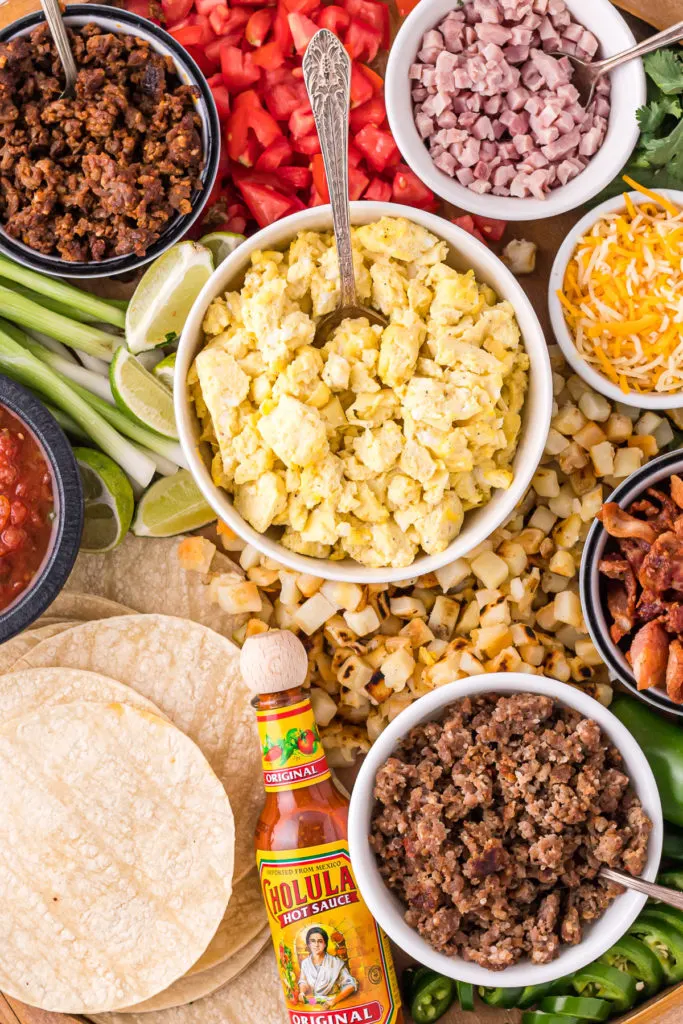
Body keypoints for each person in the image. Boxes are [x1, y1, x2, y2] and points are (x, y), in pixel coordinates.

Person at [298, 927, 358, 1008]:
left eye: (320, 941)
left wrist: (333, 1002)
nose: (316, 945)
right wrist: (302, 992)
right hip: (314, 1001)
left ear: (325, 944)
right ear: (308, 944)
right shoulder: (305, 963)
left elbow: (350, 985)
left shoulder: (336, 963)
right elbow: (303, 981)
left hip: (335, 1002)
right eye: (313, 941)